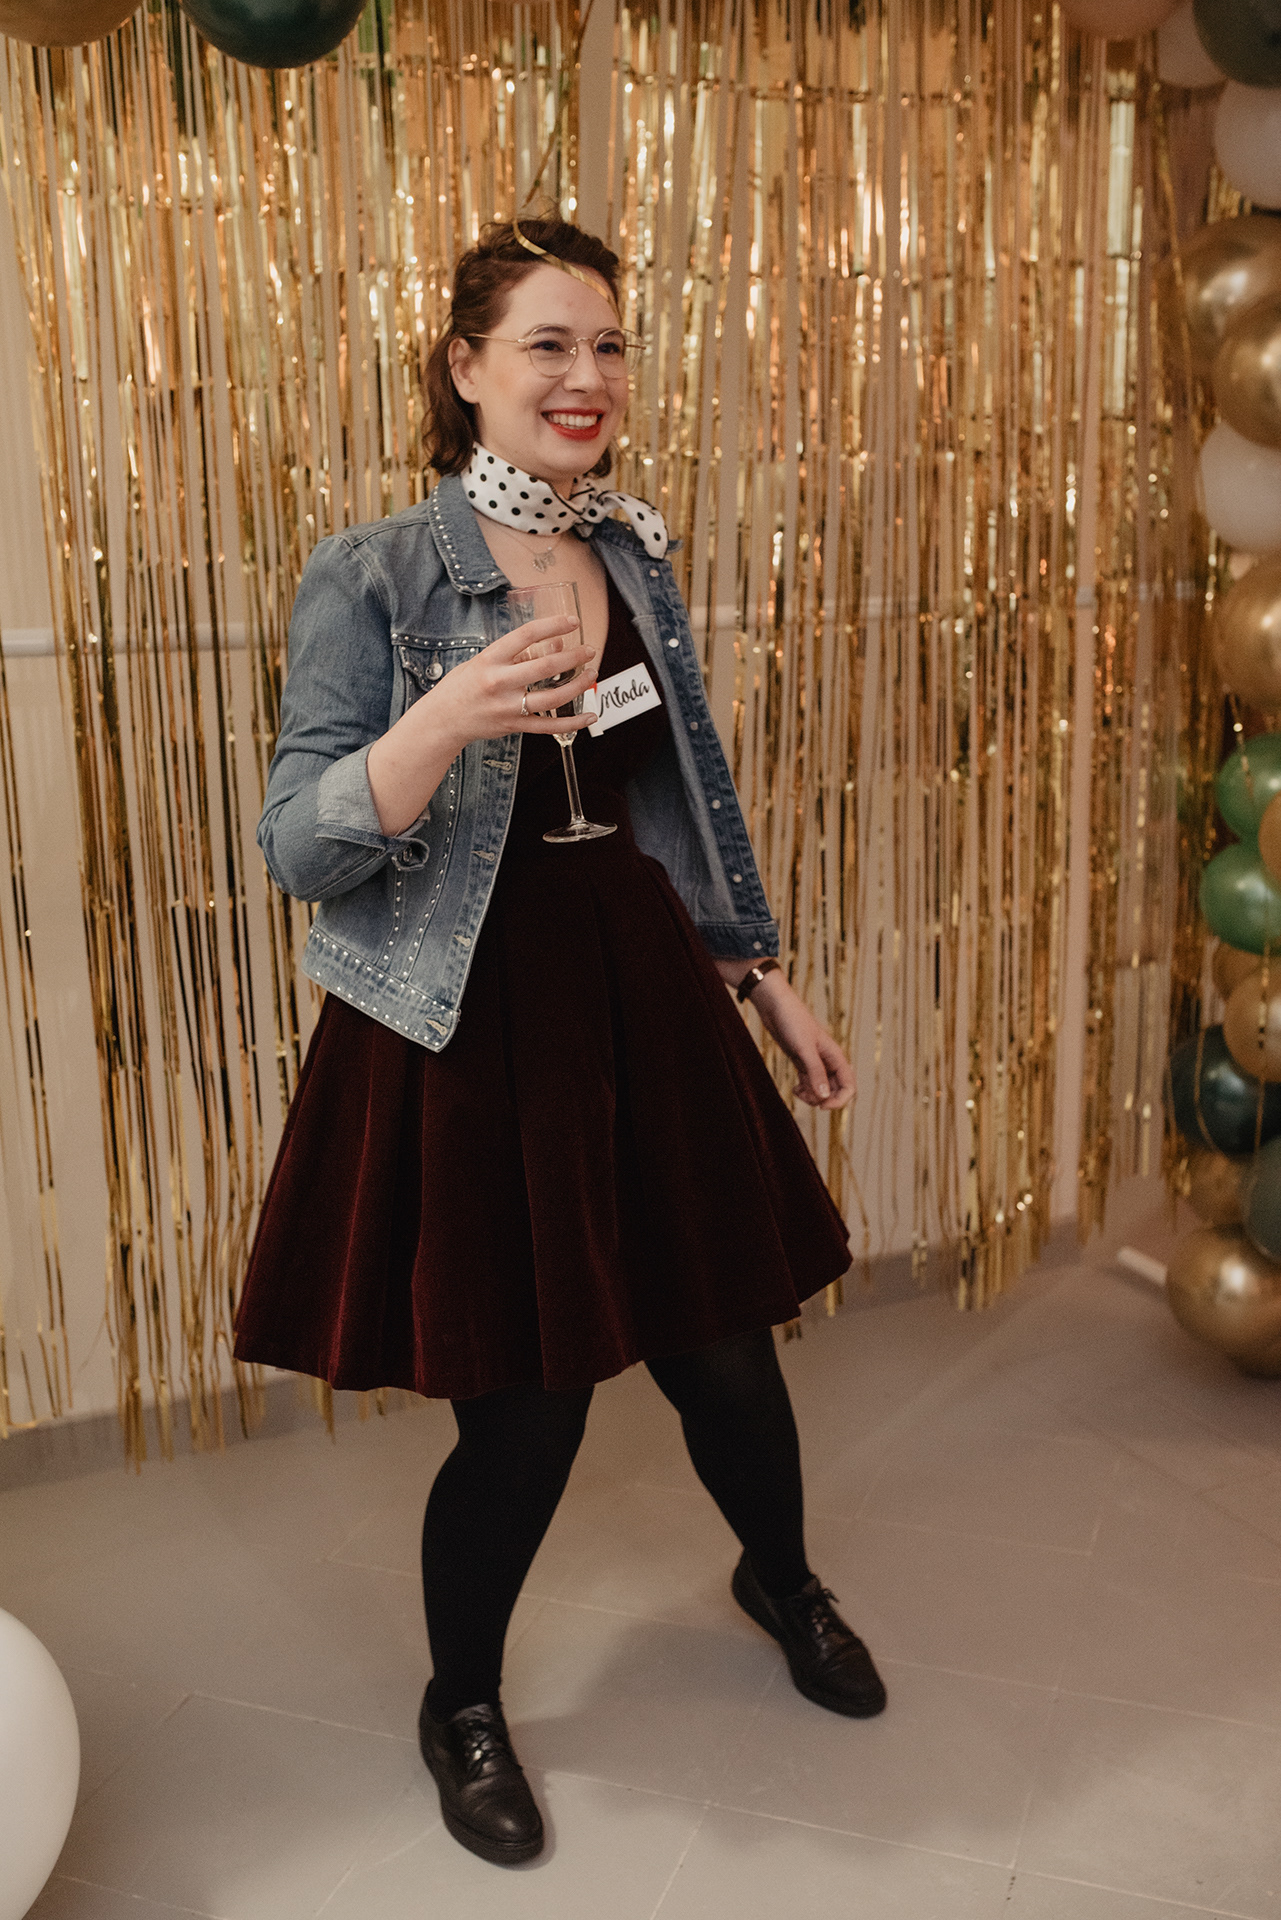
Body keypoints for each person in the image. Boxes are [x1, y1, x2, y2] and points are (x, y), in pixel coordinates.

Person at [233, 216, 885, 1869]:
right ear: (466, 369)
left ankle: (781, 1582)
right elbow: (299, 846)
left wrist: (758, 976)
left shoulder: (630, 554)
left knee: (725, 1347)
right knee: (526, 1410)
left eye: (606, 345)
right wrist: (442, 718)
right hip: (468, 1015)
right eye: (546, 344)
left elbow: (675, 800)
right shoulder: (373, 571)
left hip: (638, 990)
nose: (584, 376)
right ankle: (460, 1704)